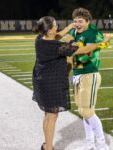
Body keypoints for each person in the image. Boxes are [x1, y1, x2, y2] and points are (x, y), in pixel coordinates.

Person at [32, 16, 104, 150]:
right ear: (49, 31)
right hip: (51, 83)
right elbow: (81, 50)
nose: (57, 27)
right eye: (54, 26)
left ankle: (46, 145)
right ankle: (49, 148)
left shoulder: (40, 39)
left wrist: (70, 27)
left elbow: (57, 35)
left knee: (47, 115)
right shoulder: (56, 46)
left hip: (41, 81)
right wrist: (100, 43)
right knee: (52, 116)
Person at [69, 8, 109, 150]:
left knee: (87, 111)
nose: (77, 23)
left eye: (80, 21)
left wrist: (70, 49)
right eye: (75, 21)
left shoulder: (92, 32)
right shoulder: (74, 32)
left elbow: (87, 51)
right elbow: (72, 52)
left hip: (89, 73)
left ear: (87, 22)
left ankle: (102, 144)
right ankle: (90, 143)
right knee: (82, 110)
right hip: (77, 74)